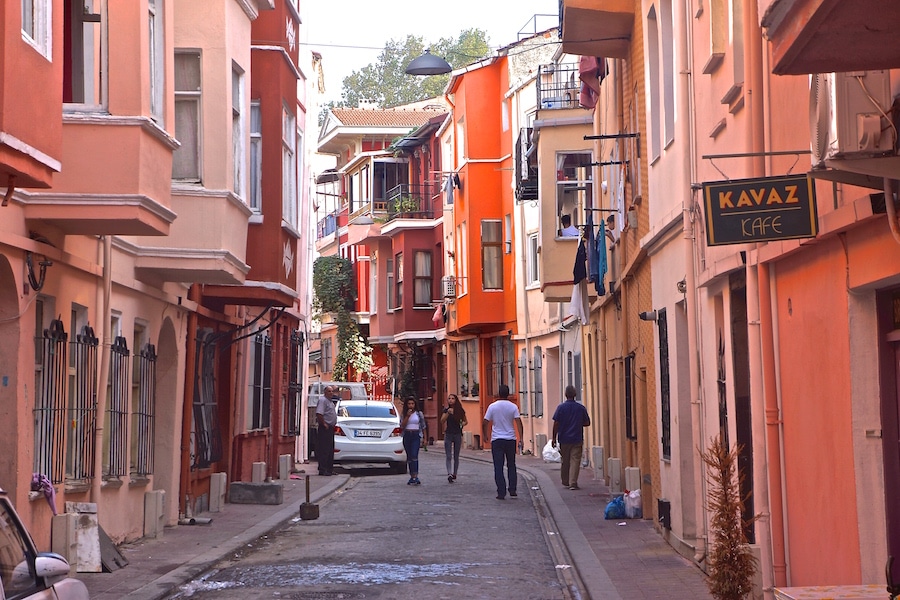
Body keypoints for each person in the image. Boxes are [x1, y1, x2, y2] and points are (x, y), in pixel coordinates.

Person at [482, 384, 523, 499]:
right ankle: (513, 489)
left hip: (497, 439)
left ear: (498, 394)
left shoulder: (492, 407)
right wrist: (521, 438)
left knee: (498, 466)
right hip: (510, 438)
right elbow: (519, 422)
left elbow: (485, 421)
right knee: (511, 464)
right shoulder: (513, 407)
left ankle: (501, 491)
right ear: (508, 394)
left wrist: (485, 435)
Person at [552, 385, 592, 490]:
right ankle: (573, 482)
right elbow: (587, 422)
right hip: (577, 438)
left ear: (565, 395)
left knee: (565, 460)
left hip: (564, 438)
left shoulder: (560, 408)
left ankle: (565, 481)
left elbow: (556, 423)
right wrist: (578, 423)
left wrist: (553, 438)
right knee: (575, 460)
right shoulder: (580, 408)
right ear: (575, 395)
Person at [441, 394, 467, 482]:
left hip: (457, 433)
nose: (451, 400)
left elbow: (465, 421)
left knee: (456, 455)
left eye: (453, 398)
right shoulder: (446, 410)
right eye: (449, 399)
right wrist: (448, 413)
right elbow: (442, 421)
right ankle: (449, 473)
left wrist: (462, 424)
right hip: (448, 433)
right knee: (448, 455)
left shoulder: (460, 410)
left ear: (456, 400)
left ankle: (455, 473)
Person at [400, 396, 425, 485]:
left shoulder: (419, 414)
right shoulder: (404, 414)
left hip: (415, 435)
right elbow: (402, 425)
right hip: (407, 435)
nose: (411, 405)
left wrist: (424, 438)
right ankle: (411, 476)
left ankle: (416, 476)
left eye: (412, 404)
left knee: (414, 455)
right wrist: (407, 416)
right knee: (409, 456)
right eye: (409, 404)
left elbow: (423, 426)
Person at [315, 385, 338, 476]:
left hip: (330, 428)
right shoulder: (323, 400)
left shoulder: (330, 402)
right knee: (324, 449)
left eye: (332, 391)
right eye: (329, 391)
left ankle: (329, 469)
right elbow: (319, 413)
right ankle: (323, 469)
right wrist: (324, 424)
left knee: (330, 449)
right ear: (325, 392)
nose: (331, 393)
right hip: (325, 428)